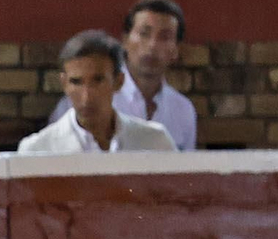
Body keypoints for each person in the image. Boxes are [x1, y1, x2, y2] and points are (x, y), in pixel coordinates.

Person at [49, 0, 197, 151]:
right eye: (144, 33)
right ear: (125, 40)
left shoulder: (183, 110)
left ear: (176, 49)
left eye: (164, 37)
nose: (152, 45)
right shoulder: (80, 101)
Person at [18, 31, 175, 155]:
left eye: (98, 81)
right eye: (76, 82)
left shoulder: (156, 142)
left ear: (118, 82)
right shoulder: (36, 150)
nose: (86, 97)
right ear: (64, 83)